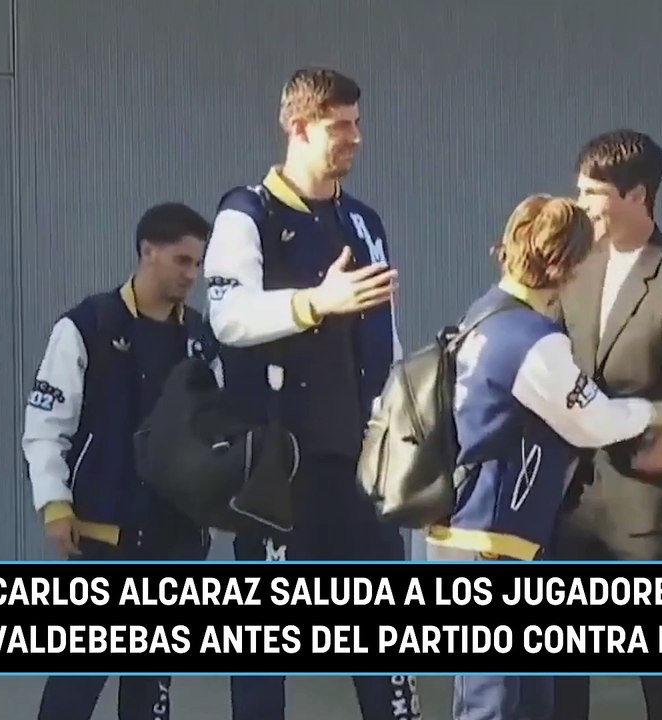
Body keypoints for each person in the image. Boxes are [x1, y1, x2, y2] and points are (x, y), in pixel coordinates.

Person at [201, 67, 419, 720]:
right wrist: (315, 303)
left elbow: (386, 333)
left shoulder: (364, 218)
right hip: (279, 471)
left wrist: (406, 420)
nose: (355, 137)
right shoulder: (247, 213)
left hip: (366, 467)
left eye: (358, 122)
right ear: (297, 126)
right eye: (339, 126)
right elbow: (228, 317)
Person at [427, 193, 662, 720]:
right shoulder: (531, 340)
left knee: (523, 700)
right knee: (495, 704)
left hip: (470, 534)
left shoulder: (483, 316)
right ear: (568, 265)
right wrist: (660, 413)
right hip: (493, 542)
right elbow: (595, 420)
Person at [22, 201, 216, 720]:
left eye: (199, 263)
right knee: (75, 686)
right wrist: (55, 505)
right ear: (146, 252)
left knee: (152, 692)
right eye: (182, 261)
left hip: (178, 541)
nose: (192, 275)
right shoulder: (84, 326)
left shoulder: (202, 338)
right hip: (104, 539)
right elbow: (45, 428)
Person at [549, 129, 662, 720]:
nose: (583, 205)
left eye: (594, 193)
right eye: (581, 190)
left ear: (637, 195)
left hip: (646, 503)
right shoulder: (571, 268)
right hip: (568, 498)